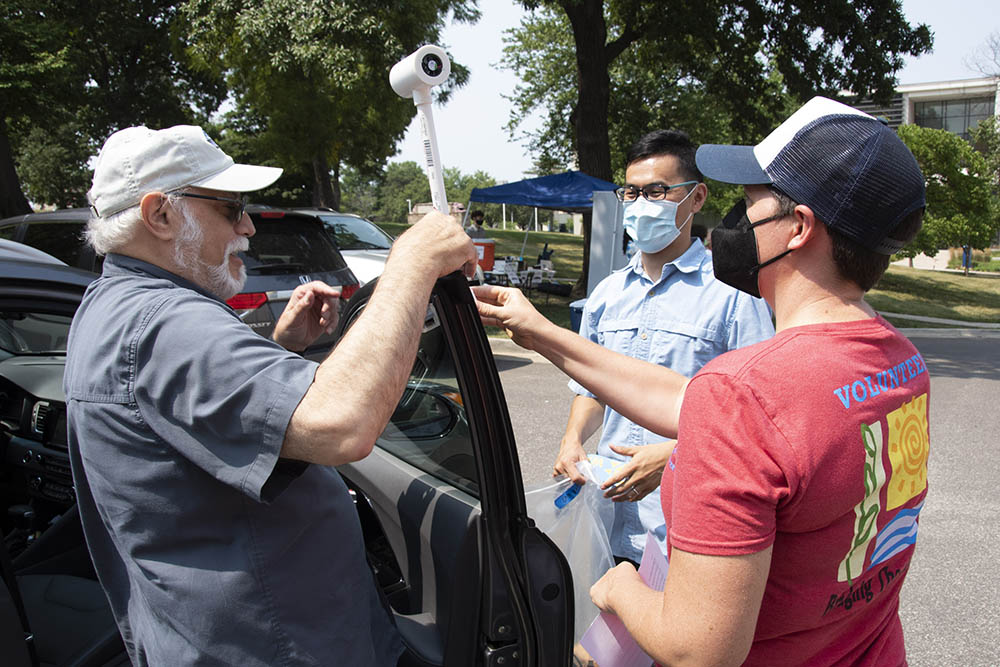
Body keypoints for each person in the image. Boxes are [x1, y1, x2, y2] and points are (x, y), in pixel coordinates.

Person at [475, 97, 929, 665]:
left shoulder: (746, 395)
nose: (736, 222)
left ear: (798, 227)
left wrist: (617, 588)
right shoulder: (899, 361)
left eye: (751, 201)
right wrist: (539, 331)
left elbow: (699, 650)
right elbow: (696, 403)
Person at [64, 125, 477, 666]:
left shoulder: (112, 302)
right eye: (231, 208)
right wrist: (412, 262)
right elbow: (340, 426)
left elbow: (188, 419)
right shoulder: (165, 324)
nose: (248, 225)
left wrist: (281, 349)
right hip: (275, 645)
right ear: (159, 216)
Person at [555, 130, 773, 565]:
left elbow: (759, 414)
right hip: (608, 516)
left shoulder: (733, 294)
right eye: (632, 192)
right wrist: (572, 439)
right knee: (601, 627)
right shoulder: (608, 294)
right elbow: (593, 388)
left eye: (656, 191)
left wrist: (676, 454)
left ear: (696, 198)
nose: (641, 204)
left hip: (687, 524)